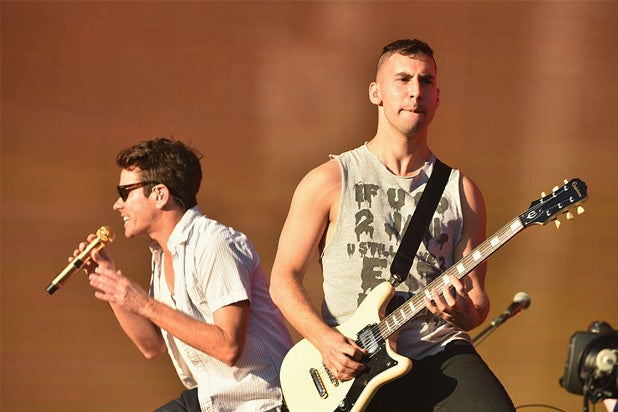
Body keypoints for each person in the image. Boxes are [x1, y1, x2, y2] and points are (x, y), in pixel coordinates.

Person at [269, 39, 515, 411]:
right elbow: (283, 279)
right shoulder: (330, 180)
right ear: (376, 92)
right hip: (352, 360)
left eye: (426, 81)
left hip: (437, 349)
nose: (416, 91)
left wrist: (462, 311)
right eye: (403, 79)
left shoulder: (463, 191)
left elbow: (476, 302)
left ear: (437, 98)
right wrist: (324, 341)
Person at [75, 137, 293, 412]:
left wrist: (144, 303)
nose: (117, 205)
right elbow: (151, 346)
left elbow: (228, 347)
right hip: (211, 400)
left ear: (160, 194)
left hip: (260, 402)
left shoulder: (214, 243)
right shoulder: (163, 255)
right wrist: (109, 283)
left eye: (125, 192)